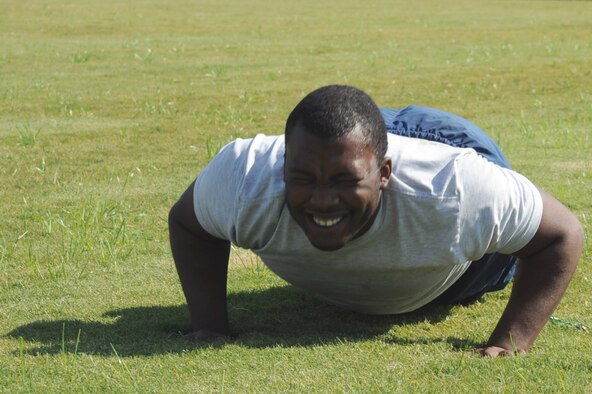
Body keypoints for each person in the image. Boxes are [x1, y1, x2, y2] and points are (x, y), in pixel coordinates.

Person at [168, 85, 583, 356]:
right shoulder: (246, 179)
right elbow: (189, 224)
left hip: (450, 192)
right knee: (344, 139)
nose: (323, 200)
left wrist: (512, 343)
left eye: (344, 181)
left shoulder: (457, 191)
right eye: (303, 177)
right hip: (365, 145)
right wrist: (210, 327)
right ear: (283, 165)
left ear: (385, 173)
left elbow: (560, 235)